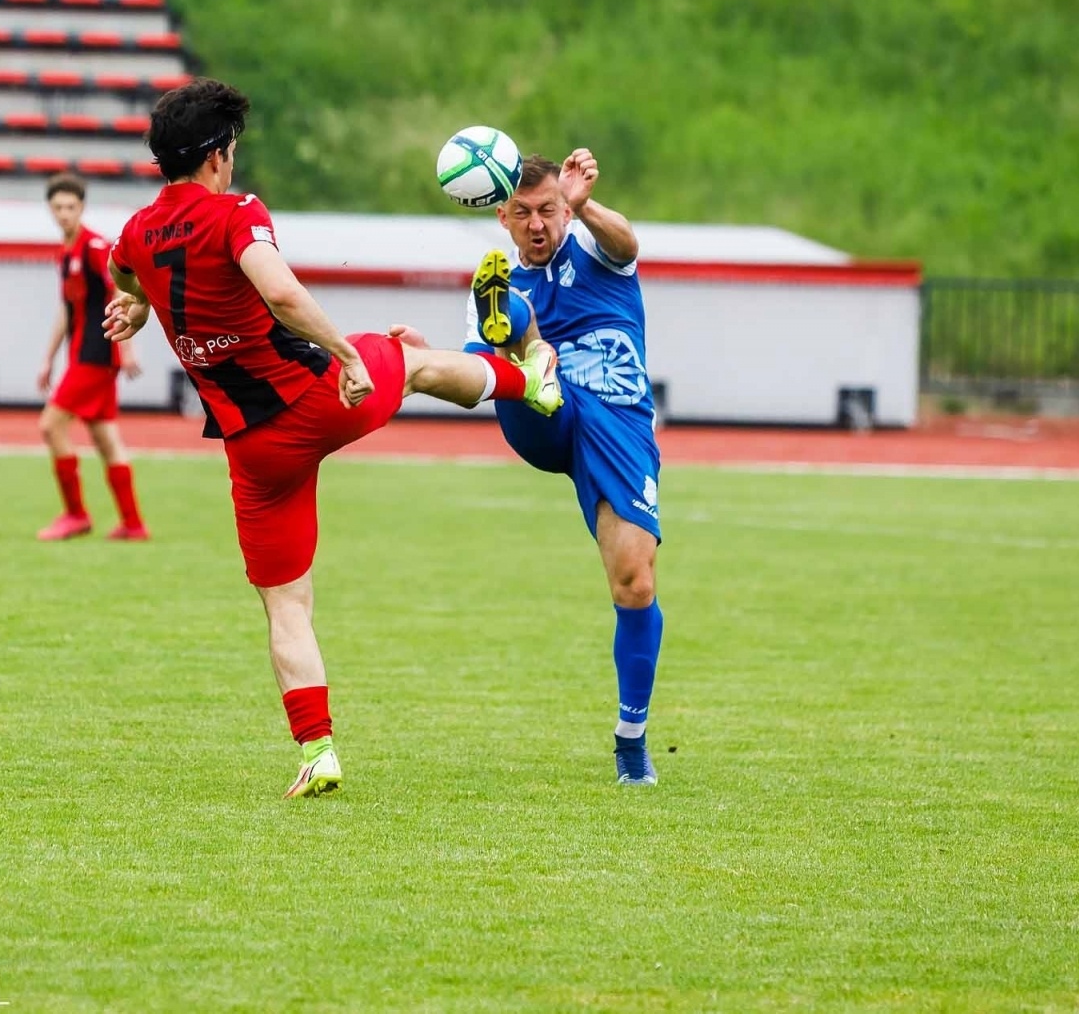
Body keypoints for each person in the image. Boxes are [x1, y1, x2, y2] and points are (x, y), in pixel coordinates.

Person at [102, 78, 563, 798]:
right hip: (313, 400)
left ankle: (317, 749)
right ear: (219, 155)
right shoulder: (236, 213)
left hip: (250, 449)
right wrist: (348, 356)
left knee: (285, 604)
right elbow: (280, 291)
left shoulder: (136, 231)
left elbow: (119, 270)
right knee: (405, 361)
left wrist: (132, 307)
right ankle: (528, 380)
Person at [462, 150, 665, 785]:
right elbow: (475, 380)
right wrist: (424, 361)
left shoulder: (598, 249)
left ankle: (631, 739)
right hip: (542, 416)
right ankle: (528, 350)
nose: (538, 224)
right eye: (523, 214)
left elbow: (627, 240)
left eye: (549, 210)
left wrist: (582, 205)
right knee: (508, 354)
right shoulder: (493, 281)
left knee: (634, 581)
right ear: (502, 217)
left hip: (616, 419)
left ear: (565, 208)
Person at [35, 173, 149, 542]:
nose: (64, 214)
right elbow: (67, 310)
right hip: (81, 354)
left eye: (71, 207)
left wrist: (126, 346)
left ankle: (76, 515)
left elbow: (121, 288)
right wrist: (48, 359)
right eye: (58, 208)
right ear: (50, 210)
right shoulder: (66, 251)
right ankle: (133, 525)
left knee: (51, 426)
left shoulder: (95, 246)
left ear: (82, 207)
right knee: (105, 438)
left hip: (98, 354)